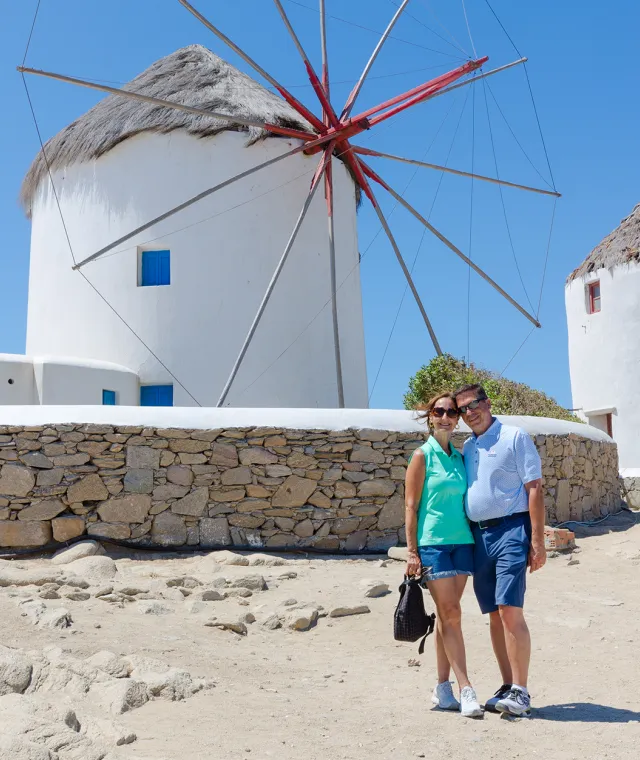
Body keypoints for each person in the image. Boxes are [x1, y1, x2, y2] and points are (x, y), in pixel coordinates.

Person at [454, 383, 546, 717]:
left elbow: (534, 488)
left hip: (511, 529)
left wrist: (537, 542)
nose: (469, 412)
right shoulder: (467, 446)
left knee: (510, 609)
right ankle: (508, 685)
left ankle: (521, 691)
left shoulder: (515, 436)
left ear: (487, 402)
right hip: (480, 537)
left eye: (473, 404)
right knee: (493, 613)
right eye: (462, 409)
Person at [405, 392, 483, 719]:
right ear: (430, 416)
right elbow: (410, 506)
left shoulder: (460, 457)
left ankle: (442, 688)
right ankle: (466, 687)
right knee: (451, 612)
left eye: (452, 412)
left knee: (446, 616)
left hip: (463, 543)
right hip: (433, 544)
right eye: (440, 411)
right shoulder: (422, 456)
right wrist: (412, 552)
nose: (446, 416)